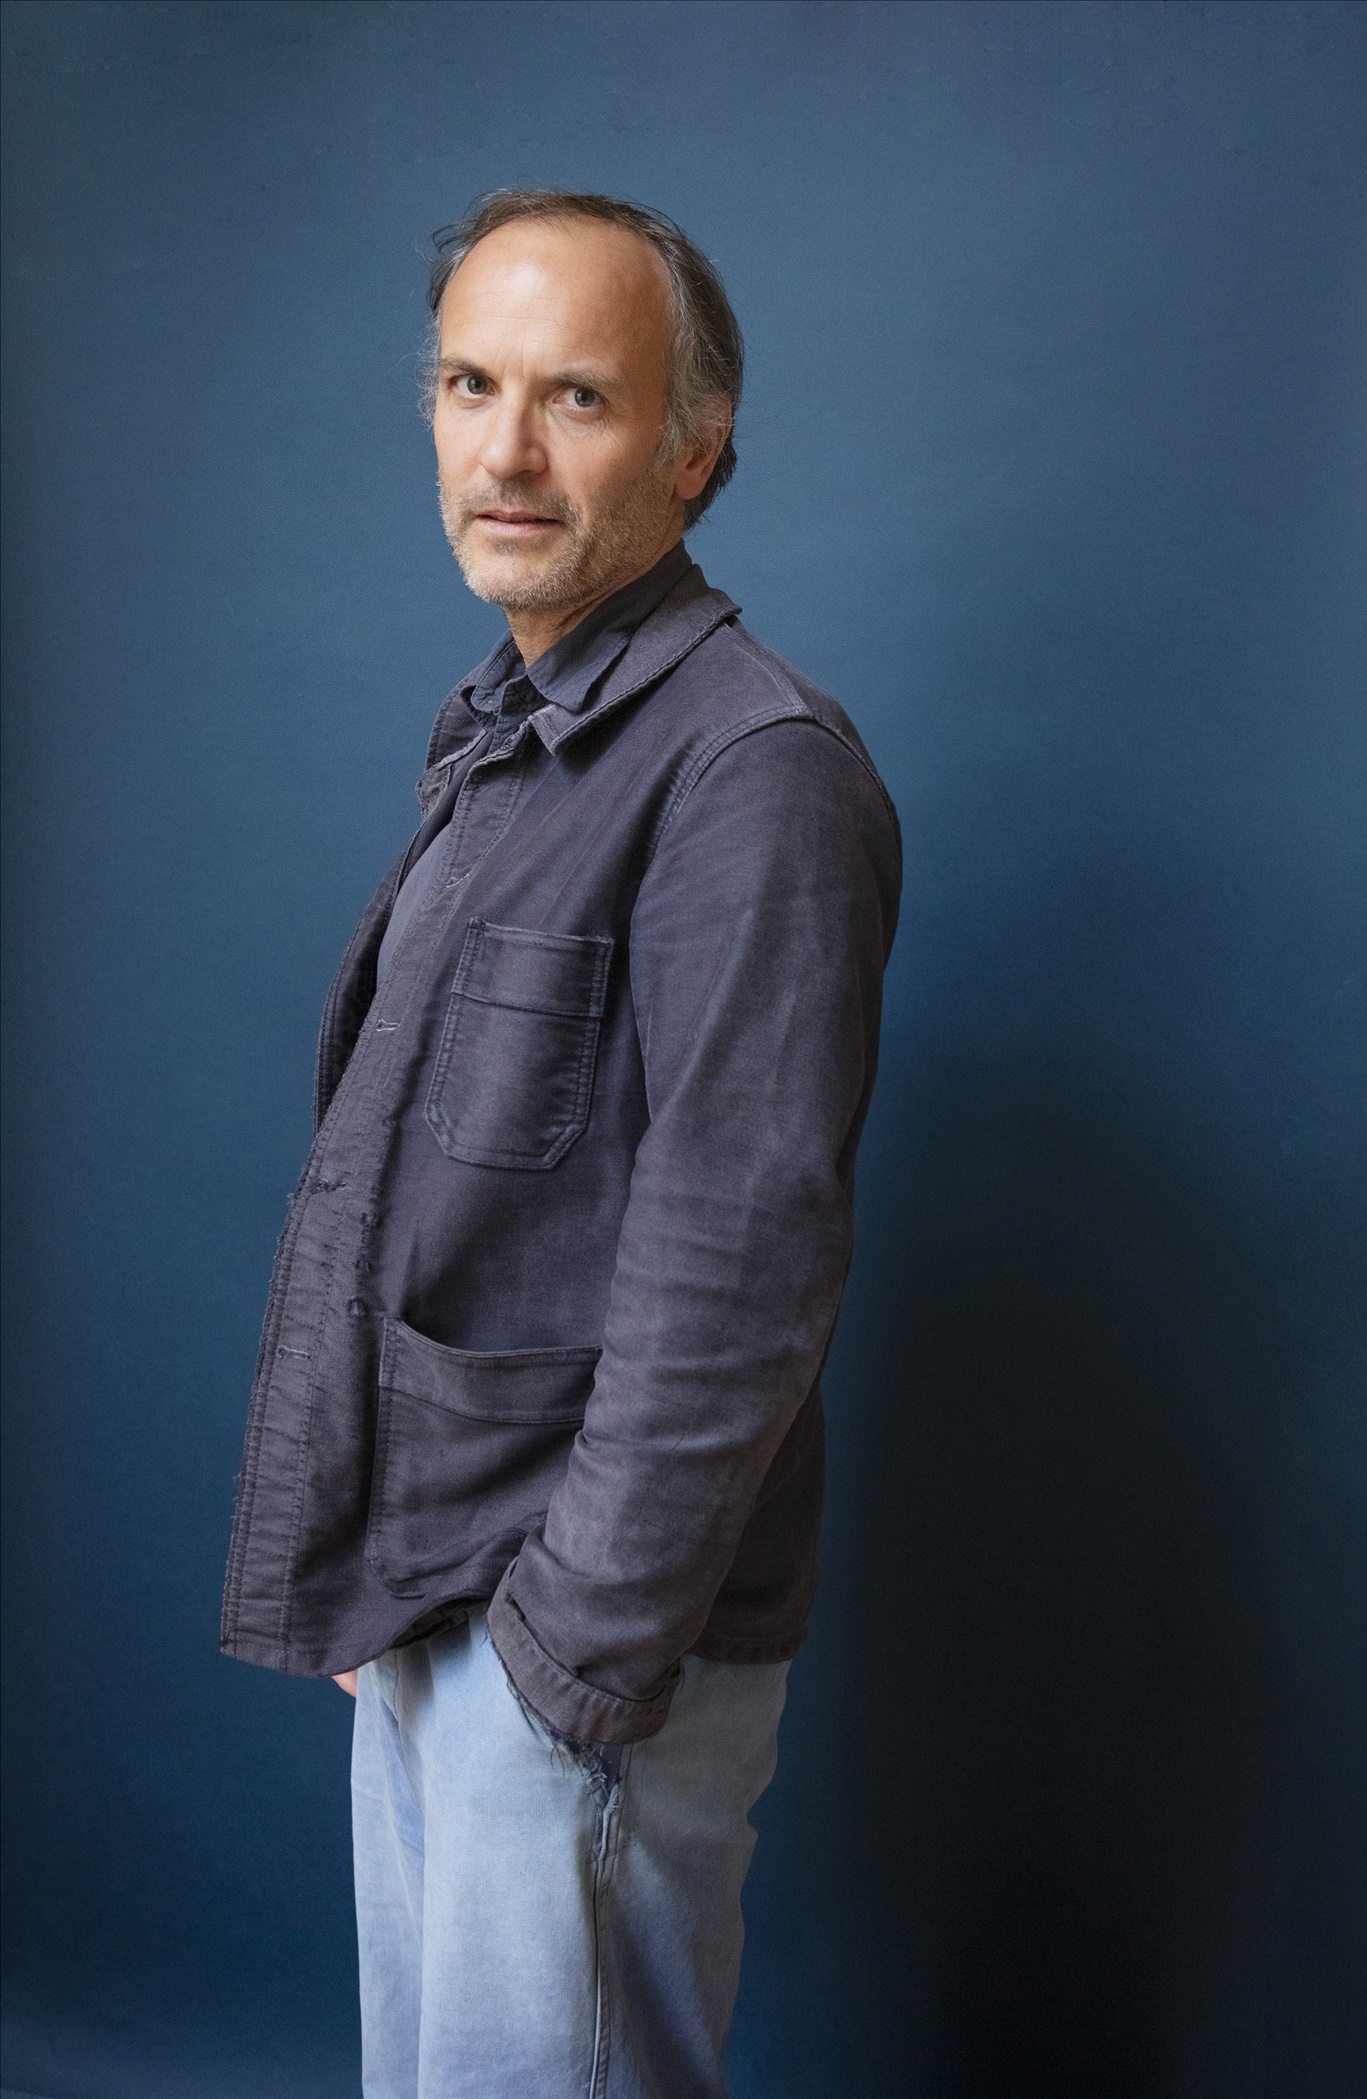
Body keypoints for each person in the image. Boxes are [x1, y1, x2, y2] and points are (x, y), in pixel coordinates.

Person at [221, 188, 901, 2099]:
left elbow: (741, 1268)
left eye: (578, 397)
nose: (506, 450)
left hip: (582, 1656)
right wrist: (385, 1573)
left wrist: (565, 1661)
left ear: (695, 451)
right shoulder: (518, 736)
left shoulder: (752, 774)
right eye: (471, 383)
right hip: (436, 1604)